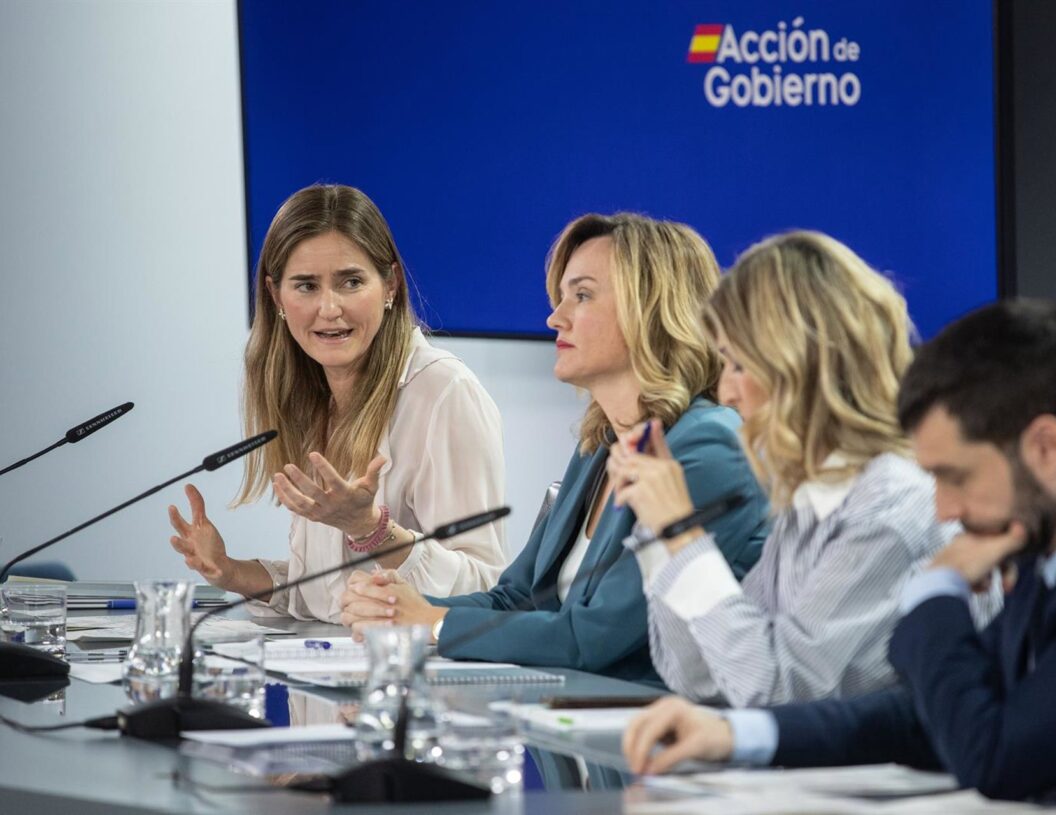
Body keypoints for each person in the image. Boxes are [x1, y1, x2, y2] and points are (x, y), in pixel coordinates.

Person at [623, 300, 1056, 805]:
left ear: (1046, 448)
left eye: (954, 477)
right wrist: (737, 734)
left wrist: (937, 590)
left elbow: (998, 755)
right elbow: (927, 718)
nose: (944, 510)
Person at [340, 212, 769, 684]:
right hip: (578, 725)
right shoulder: (601, 443)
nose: (554, 318)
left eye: (581, 296)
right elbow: (515, 598)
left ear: (650, 309)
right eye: (561, 296)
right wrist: (396, 608)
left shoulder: (708, 446)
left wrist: (431, 622)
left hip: (657, 735)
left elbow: (591, 639)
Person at [607, 230, 970, 708]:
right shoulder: (812, 503)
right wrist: (659, 540)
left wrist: (682, 533)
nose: (727, 392)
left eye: (738, 365)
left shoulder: (890, 508)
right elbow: (699, 676)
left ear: (801, 364)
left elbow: (776, 687)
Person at [167, 184, 507, 622]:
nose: (329, 308)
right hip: (336, 674)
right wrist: (230, 571)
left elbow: (483, 590)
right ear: (276, 297)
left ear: (390, 285)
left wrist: (370, 529)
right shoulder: (315, 393)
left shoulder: (444, 392)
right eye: (306, 286)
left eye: (350, 282)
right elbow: (326, 594)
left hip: (409, 680)